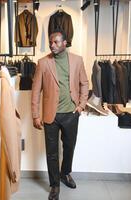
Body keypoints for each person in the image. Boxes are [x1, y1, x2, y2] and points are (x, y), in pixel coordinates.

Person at [31, 30, 89, 200]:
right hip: (51, 115)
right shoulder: (43, 63)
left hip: (71, 113)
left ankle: (65, 173)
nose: (52, 45)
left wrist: (81, 106)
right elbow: (36, 91)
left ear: (65, 43)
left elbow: (84, 83)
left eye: (56, 42)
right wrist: (35, 115)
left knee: (69, 147)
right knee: (52, 152)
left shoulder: (77, 60)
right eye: (51, 42)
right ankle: (54, 185)